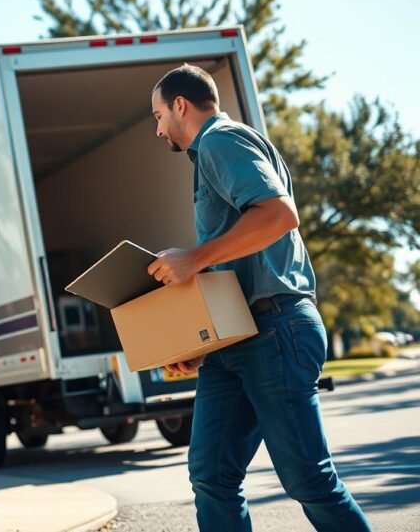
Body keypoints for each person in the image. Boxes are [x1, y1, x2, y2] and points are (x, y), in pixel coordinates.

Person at [146, 64, 371, 531]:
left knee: (308, 477)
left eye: (159, 114)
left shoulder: (220, 141)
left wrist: (194, 257)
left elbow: (278, 215)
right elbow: (240, 265)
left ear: (180, 106)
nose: (158, 127)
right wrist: (197, 342)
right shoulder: (216, 149)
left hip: (275, 331)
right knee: (211, 475)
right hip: (237, 339)